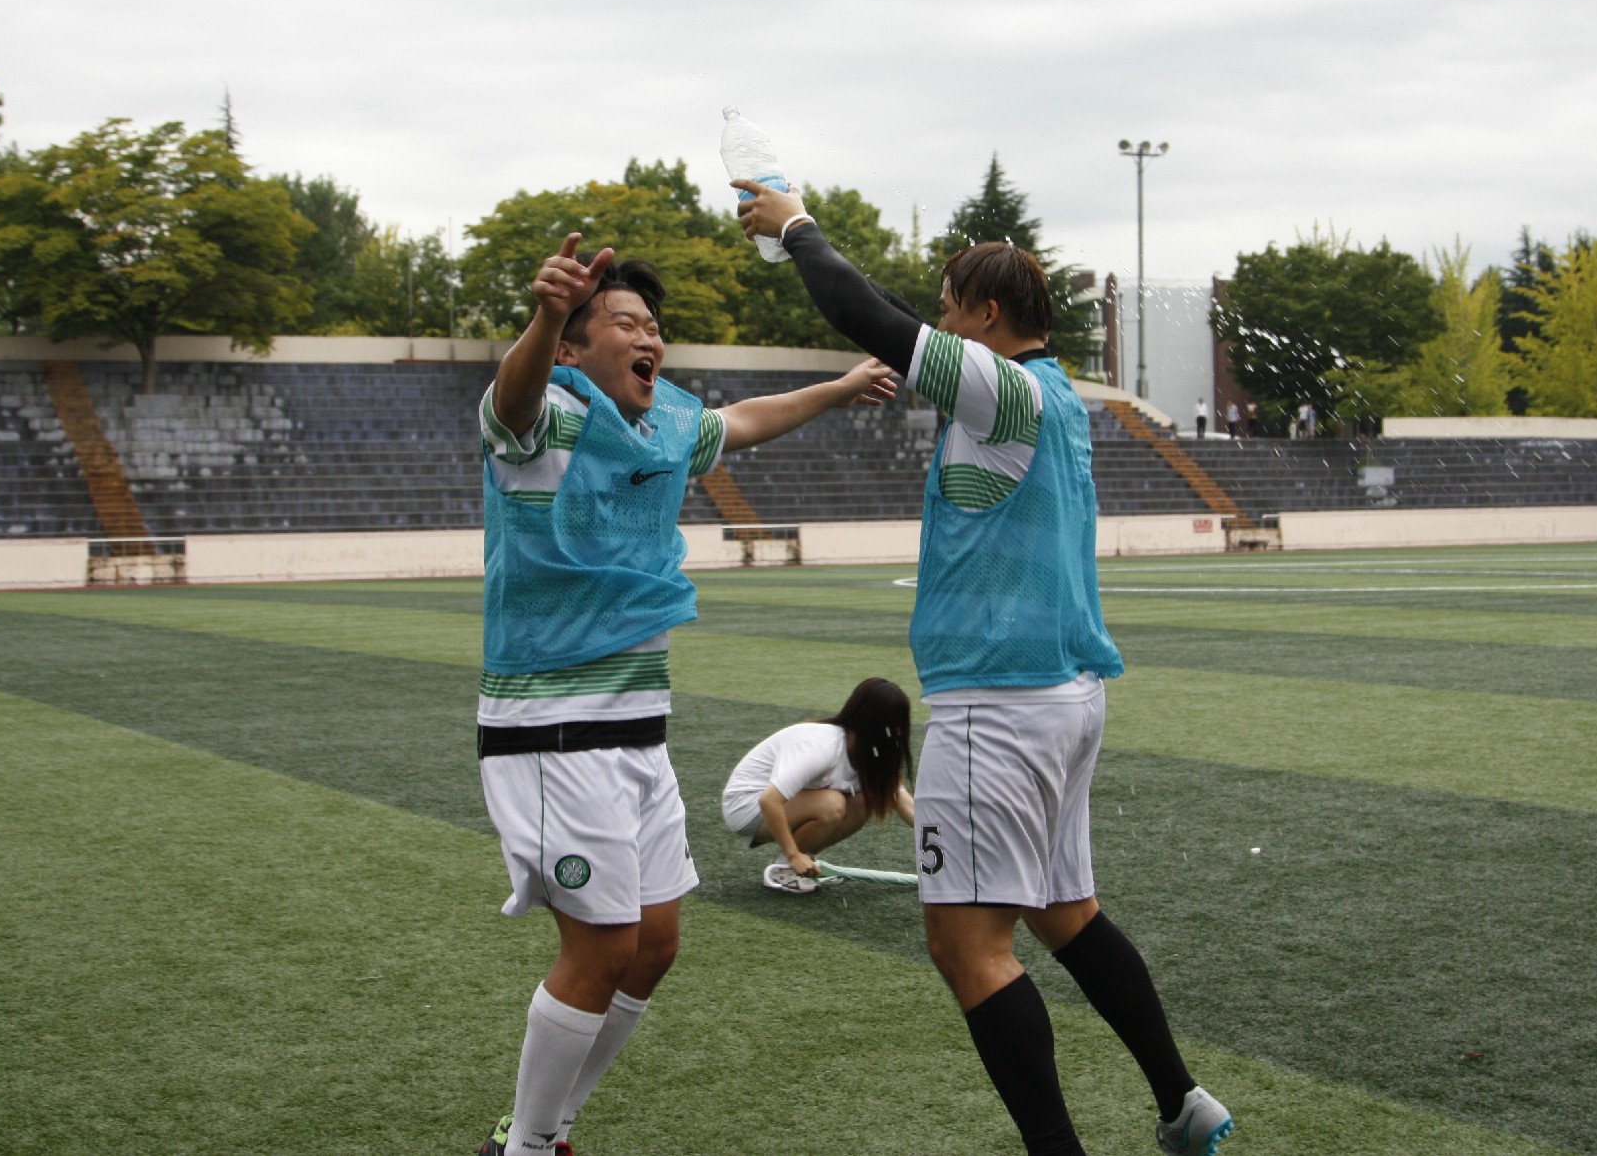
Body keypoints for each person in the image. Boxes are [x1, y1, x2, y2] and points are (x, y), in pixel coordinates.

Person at [737, 180, 1235, 1156]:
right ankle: (1181, 1100)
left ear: (988, 314)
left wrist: (792, 223)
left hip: (997, 705)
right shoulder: (1059, 395)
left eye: (949, 308)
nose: (937, 324)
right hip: (1065, 695)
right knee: (1064, 912)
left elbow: (866, 315)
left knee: (967, 945)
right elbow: (902, 330)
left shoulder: (1001, 388)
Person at [475, 236, 893, 1156]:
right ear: (575, 348)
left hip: (637, 729)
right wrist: (546, 314)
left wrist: (838, 387)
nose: (647, 336)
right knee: (600, 947)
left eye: (653, 325)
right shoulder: (541, 415)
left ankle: (545, 1127)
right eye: (624, 322)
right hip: (552, 729)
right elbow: (511, 395)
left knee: (654, 944)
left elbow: (744, 419)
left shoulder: (664, 421)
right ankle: (526, 1147)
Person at [722, 676, 917, 892]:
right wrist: (793, 855)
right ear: (871, 721)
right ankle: (786, 868)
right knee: (832, 804)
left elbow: (908, 807)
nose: (898, 733)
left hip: (781, 805)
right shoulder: (823, 746)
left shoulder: (872, 754)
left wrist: (941, 838)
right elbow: (769, 800)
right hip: (746, 807)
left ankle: (802, 865)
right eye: (893, 724)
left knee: (865, 800)